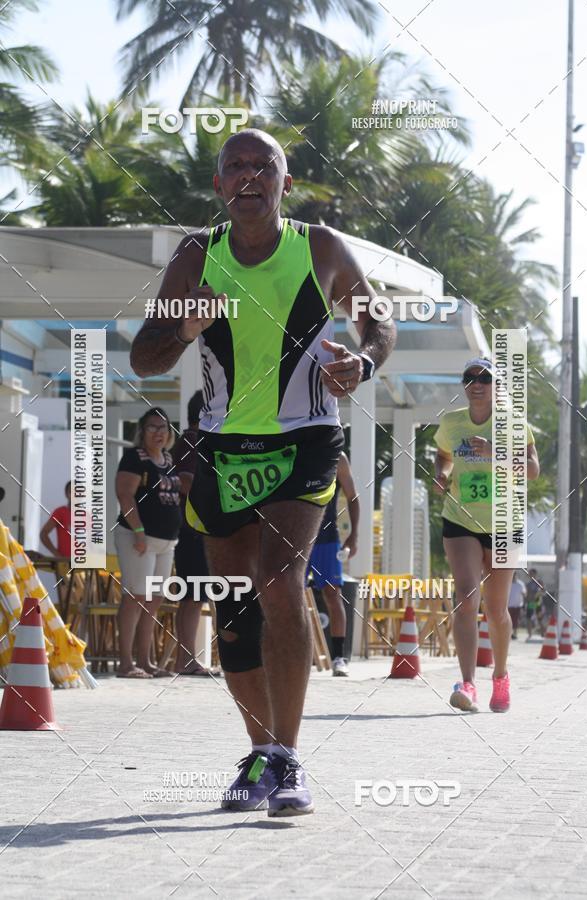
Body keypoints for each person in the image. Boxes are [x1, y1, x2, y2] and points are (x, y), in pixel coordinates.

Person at [130, 128, 395, 815]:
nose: (249, 176)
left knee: (280, 580)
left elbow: (380, 322)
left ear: (285, 180)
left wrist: (362, 363)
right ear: (219, 187)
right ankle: (262, 752)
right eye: (235, 167)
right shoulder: (197, 255)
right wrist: (185, 328)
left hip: (305, 438)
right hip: (220, 447)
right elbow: (144, 358)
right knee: (234, 598)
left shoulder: (321, 248)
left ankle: (288, 757)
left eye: (263, 166)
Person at [433, 358, 539, 713]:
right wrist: (441, 474)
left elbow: (533, 470)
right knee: (466, 597)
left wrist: (496, 454)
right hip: (460, 519)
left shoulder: (513, 425)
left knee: (496, 609)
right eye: (470, 378)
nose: (476, 383)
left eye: (485, 378)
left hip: (504, 522)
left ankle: (501, 675)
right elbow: (443, 455)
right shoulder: (452, 422)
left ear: (497, 386)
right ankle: (467, 683)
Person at [114, 407, 182, 679]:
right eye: (152, 427)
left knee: (154, 599)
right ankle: (126, 662)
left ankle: (146, 660)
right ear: (142, 431)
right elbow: (125, 495)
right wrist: (139, 532)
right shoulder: (134, 458)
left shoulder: (168, 459)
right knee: (135, 597)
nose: (159, 433)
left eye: (163, 428)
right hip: (138, 538)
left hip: (167, 542)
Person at [171, 390, 221, 676]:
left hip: (193, 528)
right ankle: (186, 658)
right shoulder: (193, 440)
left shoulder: (192, 440)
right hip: (193, 528)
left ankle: (187, 657)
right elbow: (186, 480)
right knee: (192, 596)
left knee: (195, 595)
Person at [305, 451, 359, 676]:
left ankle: (339, 657)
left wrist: (354, 535)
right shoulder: (292, 445)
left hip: (326, 538)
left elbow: (352, 496)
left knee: (332, 595)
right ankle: (294, 653)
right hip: (296, 536)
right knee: (288, 594)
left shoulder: (337, 457)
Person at [40, 481, 72, 559]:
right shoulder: (60, 512)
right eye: (72, 492)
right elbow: (43, 534)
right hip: (65, 565)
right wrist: (57, 556)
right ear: (66, 494)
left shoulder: (88, 515)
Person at [525, 569, 543, 640]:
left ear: (535, 574)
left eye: (531, 574)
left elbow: (542, 591)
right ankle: (530, 634)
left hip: (537, 602)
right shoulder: (529, 584)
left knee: (539, 619)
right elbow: (528, 593)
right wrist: (527, 599)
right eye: (529, 574)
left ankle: (542, 633)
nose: (530, 575)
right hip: (531, 602)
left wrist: (536, 595)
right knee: (528, 618)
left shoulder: (539, 582)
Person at [508, 572, 525, 639]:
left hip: (518, 605)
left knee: (516, 620)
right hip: (509, 605)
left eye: (515, 575)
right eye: (512, 575)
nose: (514, 576)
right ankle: (509, 634)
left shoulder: (520, 584)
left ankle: (515, 634)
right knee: (509, 620)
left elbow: (524, 592)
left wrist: (524, 594)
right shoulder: (508, 583)